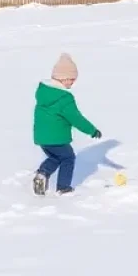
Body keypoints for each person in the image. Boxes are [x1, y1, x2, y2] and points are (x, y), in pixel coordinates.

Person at [33, 53, 101, 196]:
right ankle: (63, 188)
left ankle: (42, 174)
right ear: (64, 78)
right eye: (72, 79)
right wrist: (92, 130)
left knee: (55, 157)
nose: (73, 83)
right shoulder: (64, 98)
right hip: (57, 137)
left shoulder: (44, 91)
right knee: (68, 158)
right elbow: (76, 118)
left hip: (41, 137)